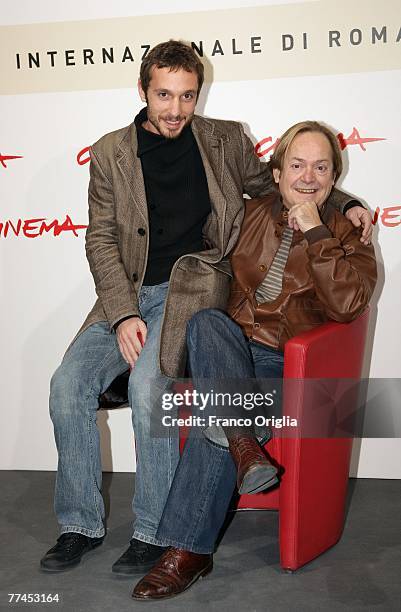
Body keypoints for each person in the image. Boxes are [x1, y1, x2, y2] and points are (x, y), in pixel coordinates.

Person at [40, 39, 372, 575]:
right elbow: (101, 239)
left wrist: (346, 201)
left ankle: (151, 532)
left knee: (152, 391)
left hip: (186, 294)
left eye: (187, 96)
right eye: (164, 95)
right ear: (144, 90)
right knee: (66, 386)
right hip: (121, 298)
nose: (175, 109)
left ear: (200, 93)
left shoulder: (226, 141)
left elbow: (283, 185)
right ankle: (79, 524)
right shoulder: (109, 153)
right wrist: (123, 314)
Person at [131, 121, 377, 600]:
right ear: (277, 170)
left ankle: (186, 551)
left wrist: (317, 231)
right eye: (298, 165)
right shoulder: (250, 212)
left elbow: (349, 305)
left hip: (292, 363)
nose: (308, 177)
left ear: (334, 175)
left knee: (216, 409)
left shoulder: (349, 231)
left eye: (321, 167)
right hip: (229, 350)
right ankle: (245, 442)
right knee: (205, 324)